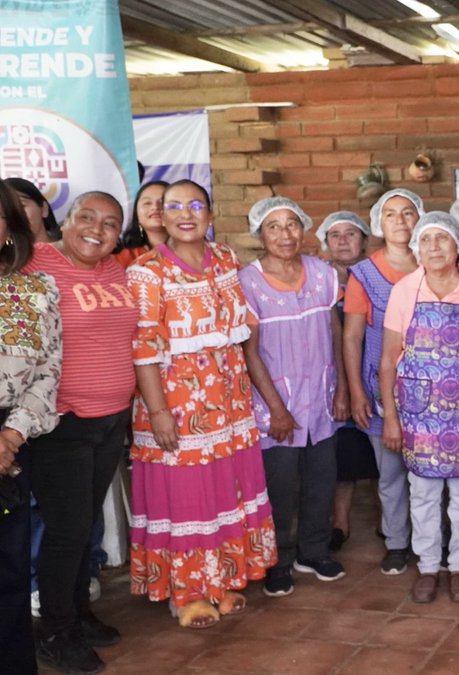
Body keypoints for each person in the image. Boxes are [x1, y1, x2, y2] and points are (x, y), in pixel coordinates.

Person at [127, 180, 277, 630]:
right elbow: (142, 346)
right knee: (187, 499)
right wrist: (157, 413)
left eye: (196, 204)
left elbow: (243, 328)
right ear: (160, 216)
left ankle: (221, 582)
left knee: (223, 492)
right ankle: (187, 593)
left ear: (210, 213)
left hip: (228, 403)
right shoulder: (147, 271)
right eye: (174, 206)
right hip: (177, 406)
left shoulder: (227, 258)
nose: (186, 213)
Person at [21, 192, 136, 673]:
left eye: (110, 223)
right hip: (60, 423)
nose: (97, 229)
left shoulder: (116, 271)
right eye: (87, 217)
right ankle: (56, 630)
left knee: (85, 522)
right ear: (64, 222)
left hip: (110, 418)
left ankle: (78, 612)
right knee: (67, 530)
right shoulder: (35, 264)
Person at [240, 198, 349, 597]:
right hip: (276, 403)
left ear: (303, 229)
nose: (285, 234)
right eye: (274, 227)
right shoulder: (247, 281)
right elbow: (249, 351)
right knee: (279, 486)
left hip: (321, 397)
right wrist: (276, 410)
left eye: (292, 225)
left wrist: (341, 388)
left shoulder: (322, 273)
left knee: (322, 479)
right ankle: (279, 559)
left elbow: (335, 331)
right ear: (260, 235)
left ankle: (314, 550)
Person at [379, 212, 459, 605]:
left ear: (458, 245)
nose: (434, 248)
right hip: (418, 410)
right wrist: (391, 416)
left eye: (442, 239)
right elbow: (389, 360)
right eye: (426, 241)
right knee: (422, 492)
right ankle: (426, 566)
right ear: (417, 248)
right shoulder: (406, 290)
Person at [344, 188, 422, 575]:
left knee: (430, 468)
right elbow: (352, 335)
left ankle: (429, 541)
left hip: (432, 386)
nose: (400, 221)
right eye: (390, 214)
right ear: (378, 222)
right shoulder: (364, 274)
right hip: (381, 385)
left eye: (408, 213)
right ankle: (396, 542)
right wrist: (357, 390)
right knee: (390, 472)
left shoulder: (435, 262)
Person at [0, 181, 62, 675]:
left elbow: (47, 371)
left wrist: (11, 435)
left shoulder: (34, 290)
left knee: (10, 576)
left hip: (10, 445)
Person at [315, 211, 378, 551]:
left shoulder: (377, 276)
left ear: (365, 241)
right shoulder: (316, 281)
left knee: (384, 453)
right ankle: (340, 523)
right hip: (334, 379)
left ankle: (390, 523)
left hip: (377, 372)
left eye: (350, 234)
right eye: (334, 234)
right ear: (325, 244)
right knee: (345, 454)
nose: (342, 240)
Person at [114, 181, 169, 267]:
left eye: (163, 202)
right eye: (147, 203)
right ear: (136, 214)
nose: (155, 207)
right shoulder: (123, 257)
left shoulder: (194, 253)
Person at [3, 177, 59, 242]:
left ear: (44, 209)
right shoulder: (4, 251)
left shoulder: (68, 247)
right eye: (6, 210)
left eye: (21, 206)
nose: (15, 215)